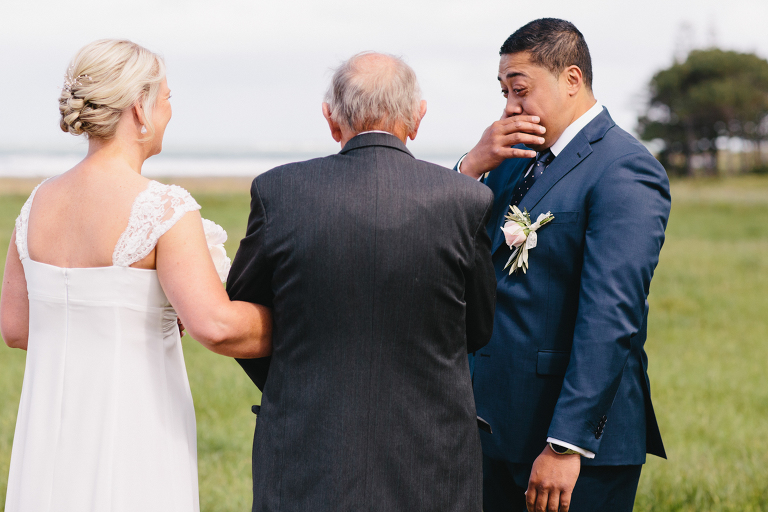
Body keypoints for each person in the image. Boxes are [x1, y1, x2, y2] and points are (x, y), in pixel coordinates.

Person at [0, 39, 272, 512]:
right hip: (135, 428)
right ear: (139, 109)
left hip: (49, 434)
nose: (169, 111)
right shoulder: (163, 208)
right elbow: (215, 325)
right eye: (166, 98)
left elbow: (16, 328)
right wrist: (301, 322)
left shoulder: (36, 203)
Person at [226, 52, 497, 512]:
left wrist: (299, 384)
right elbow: (478, 330)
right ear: (417, 117)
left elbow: (243, 317)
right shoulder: (467, 199)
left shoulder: (279, 191)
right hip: (432, 453)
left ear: (331, 119)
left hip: (307, 447)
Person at [455, 19, 670, 512]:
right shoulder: (509, 158)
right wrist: (470, 167)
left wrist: (565, 445)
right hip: (491, 431)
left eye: (521, 90)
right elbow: (455, 248)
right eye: (505, 91)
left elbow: (610, 317)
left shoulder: (625, 168)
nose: (510, 106)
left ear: (572, 79)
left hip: (571, 449)